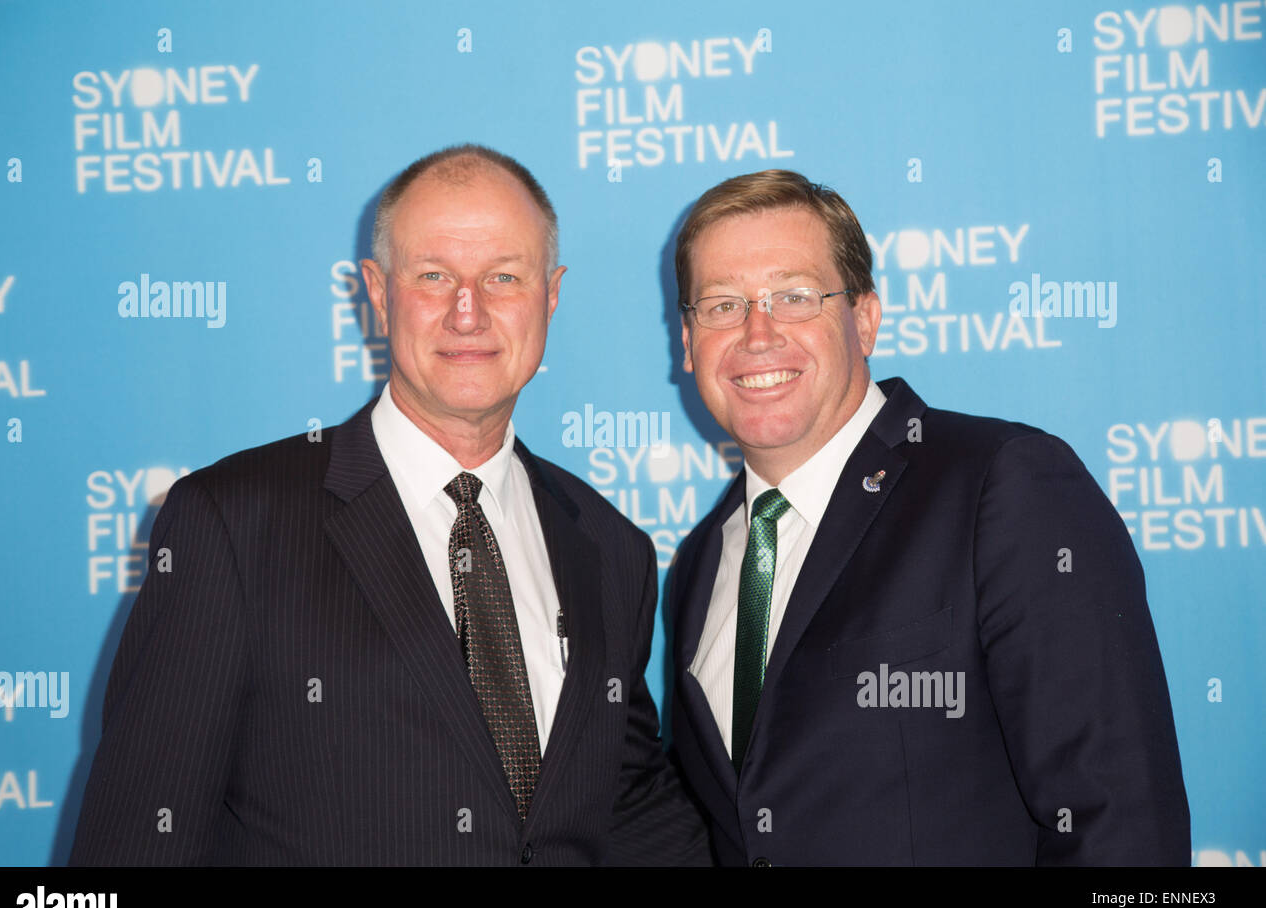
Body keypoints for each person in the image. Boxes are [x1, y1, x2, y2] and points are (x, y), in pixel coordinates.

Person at [69, 144, 708, 866]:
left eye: (503, 276)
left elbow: (624, 807)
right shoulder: (231, 525)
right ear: (377, 293)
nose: (468, 312)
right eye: (434, 276)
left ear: (551, 295)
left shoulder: (610, 545)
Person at [664, 169, 1190, 865]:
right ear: (688, 341)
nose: (758, 334)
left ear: (864, 318)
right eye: (723, 305)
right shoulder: (697, 566)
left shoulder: (1003, 485)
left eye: (794, 297)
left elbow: (1122, 822)